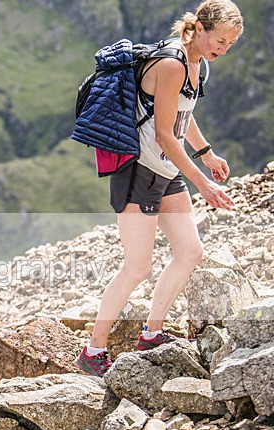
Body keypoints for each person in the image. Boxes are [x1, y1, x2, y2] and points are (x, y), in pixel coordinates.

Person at [76, 0, 244, 377]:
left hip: (167, 171)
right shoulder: (171, 64)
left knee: (190, 251)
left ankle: (151, 334)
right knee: (138, 267)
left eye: (230, 44)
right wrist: (203, 183)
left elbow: (183, 113)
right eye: (220, 40)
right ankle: (93, 350)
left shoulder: (198, 63)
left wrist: (206, 152)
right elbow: (166, 135)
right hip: (138, 171)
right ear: (199, 28)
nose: (223, 49)